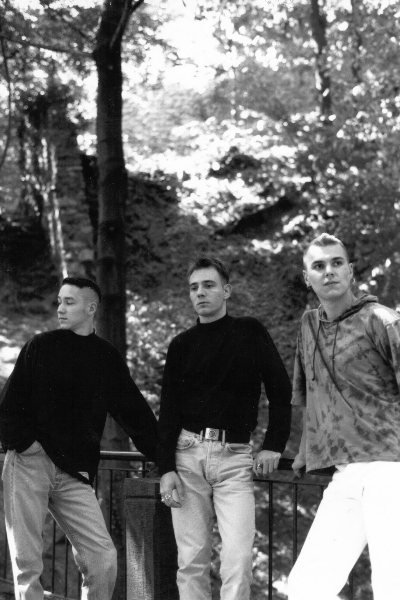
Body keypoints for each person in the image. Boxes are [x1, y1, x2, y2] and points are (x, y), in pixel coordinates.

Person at [0, 276, 158, 600]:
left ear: (91, 308)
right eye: (59, 301)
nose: (60, 308)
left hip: (75, 474)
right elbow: (7, 407)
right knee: (27, 564)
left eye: (69, 302)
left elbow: (136, 414)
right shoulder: (39, 346)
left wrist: (167, 458)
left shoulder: (106, 357)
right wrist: (28, 446)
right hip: (29, 464)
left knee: (103, 558)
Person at [158, 256, 291, 600]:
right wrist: (166, 468)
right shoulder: (181, 345)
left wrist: (273, 444)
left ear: (226, 291)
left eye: (208, 285)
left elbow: (280, 390)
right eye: (194, 288)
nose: (200, 293)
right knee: (191, 561)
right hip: (187, 457)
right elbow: (168, 411)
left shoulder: (250, 332)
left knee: (238, 558)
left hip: (235, 458)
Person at [288, 233, 400, 600]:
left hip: (390, 469)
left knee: (393, 586)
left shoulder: (382, 320)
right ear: (307, 278)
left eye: (337, 263)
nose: (329, 271)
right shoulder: (309, 325)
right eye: (319, 266)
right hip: (345, 472)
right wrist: (304, 450)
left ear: (350, 271)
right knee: (306, 588)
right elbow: (310, 391)